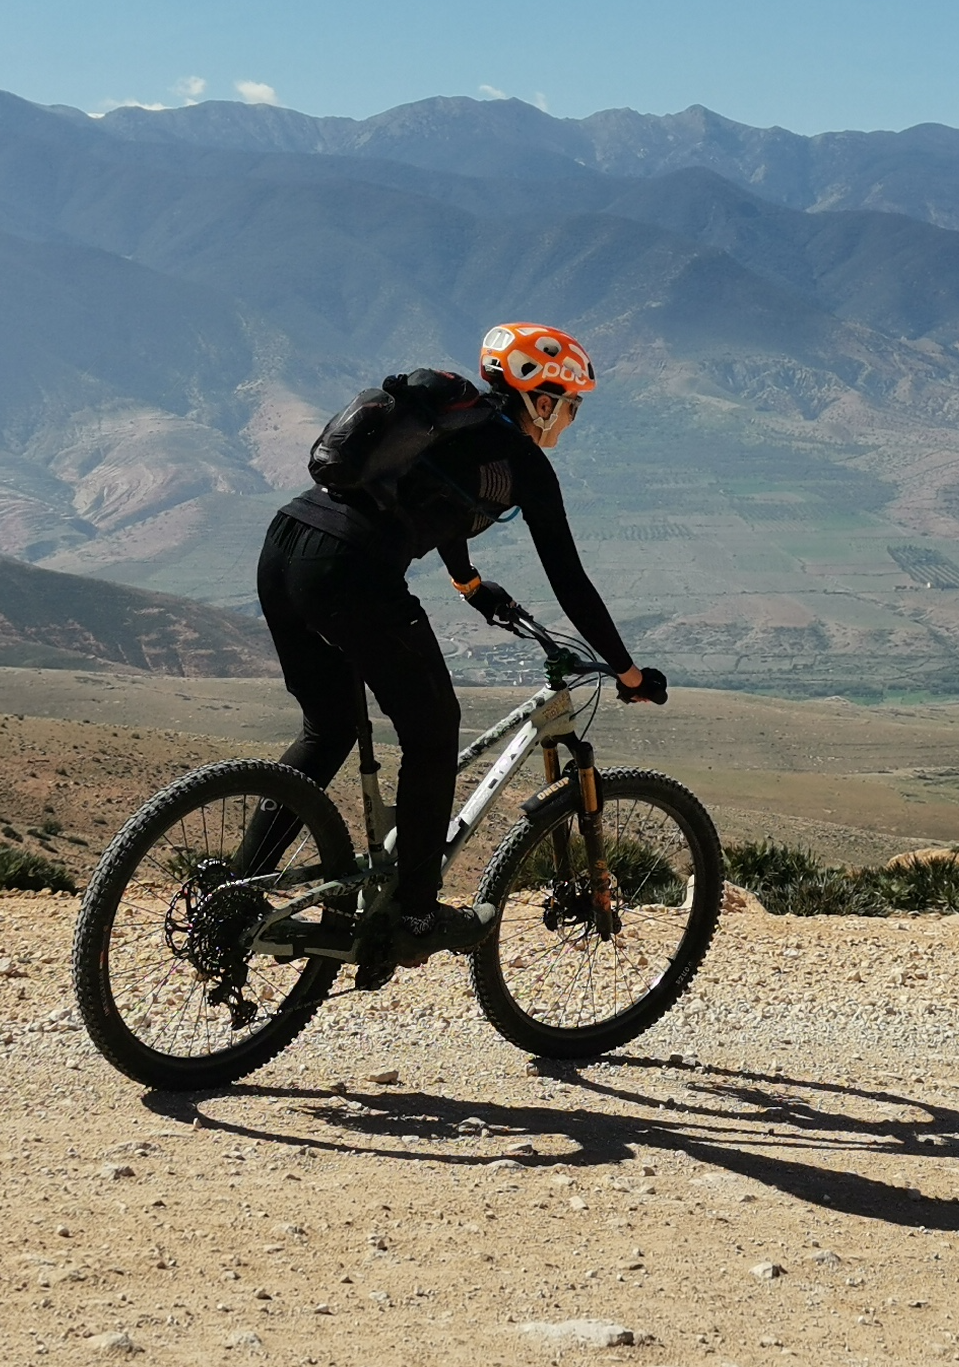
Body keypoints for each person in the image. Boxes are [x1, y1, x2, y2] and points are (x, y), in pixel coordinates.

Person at [257, 322, 665, 986]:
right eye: (568, 403)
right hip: (352, 571)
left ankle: (239, 889)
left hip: (284, 549)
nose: (570, 417)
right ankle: (415, 916)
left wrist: (470, 583)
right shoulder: (523, 460)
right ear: (538, 398)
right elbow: (570, 579)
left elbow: (434, 498)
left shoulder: (451, 424)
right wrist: (628, 671)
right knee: (434, 729)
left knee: (328, 727)